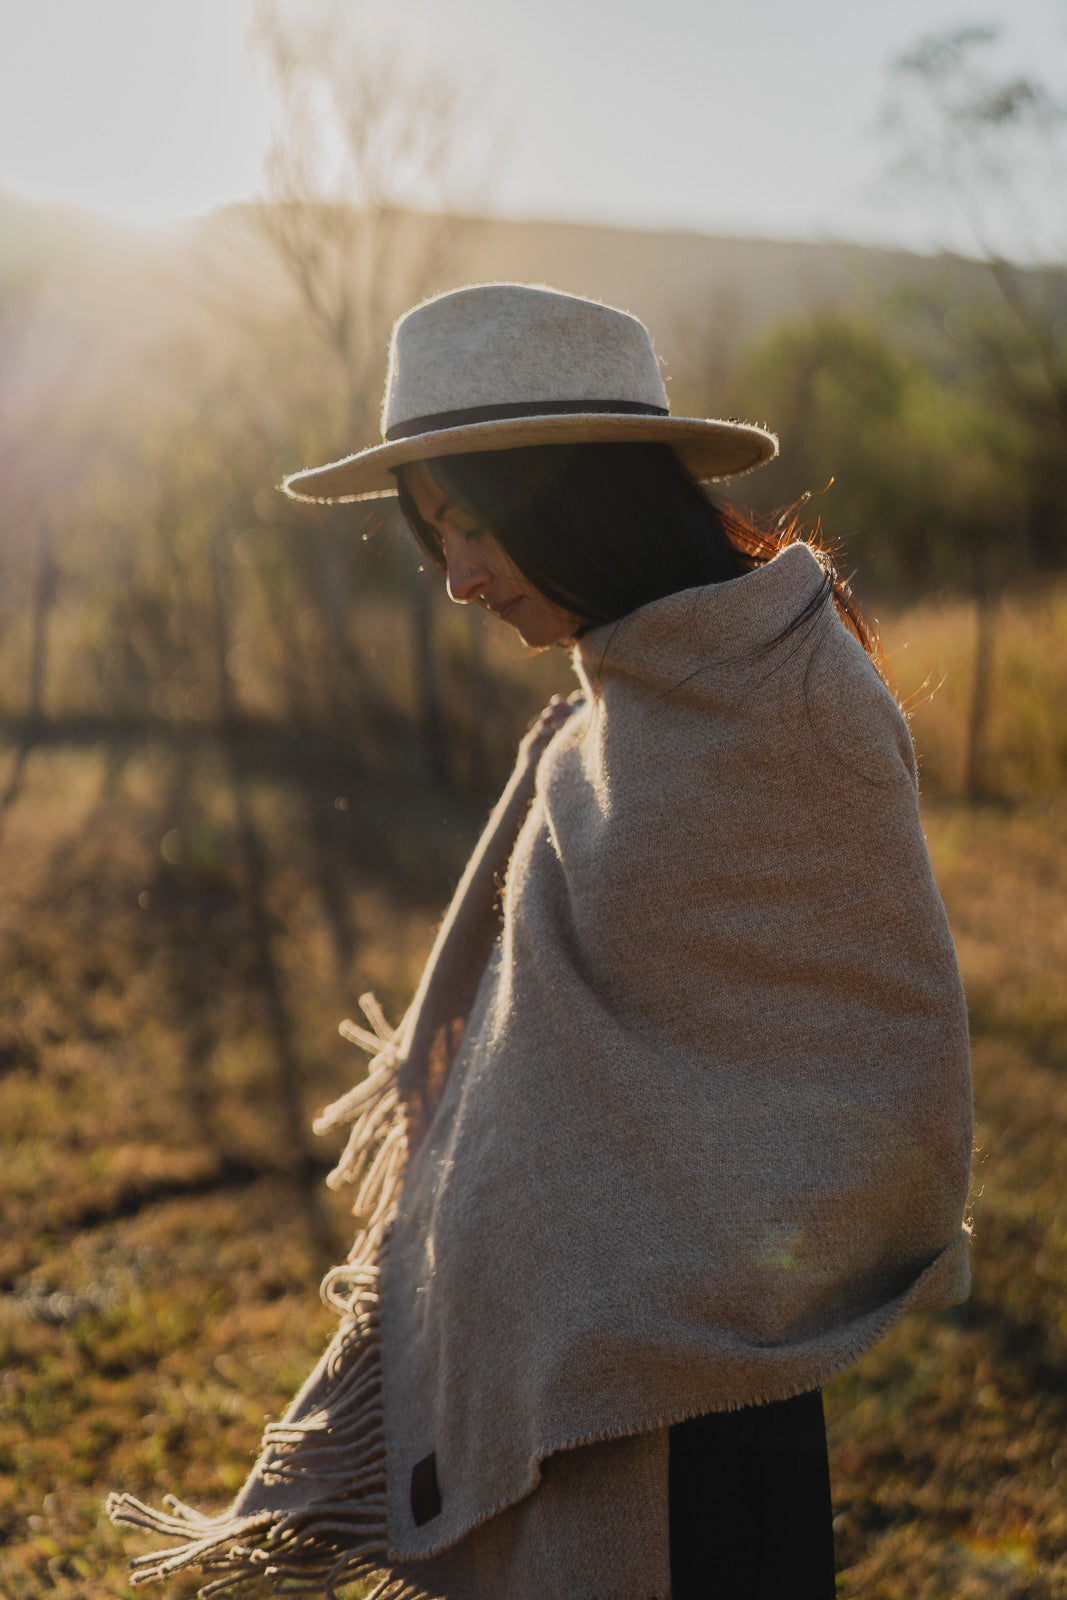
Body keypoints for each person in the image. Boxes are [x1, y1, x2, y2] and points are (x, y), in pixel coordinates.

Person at [109, 284, 973, 1600]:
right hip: (563, 1372)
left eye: (475, 524)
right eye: (433, 536)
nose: (457, 579)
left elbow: (872, 1060)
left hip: (705, 1391)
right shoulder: (596, 720)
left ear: (580, 497)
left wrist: (643, 1261)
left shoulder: (801, 704)